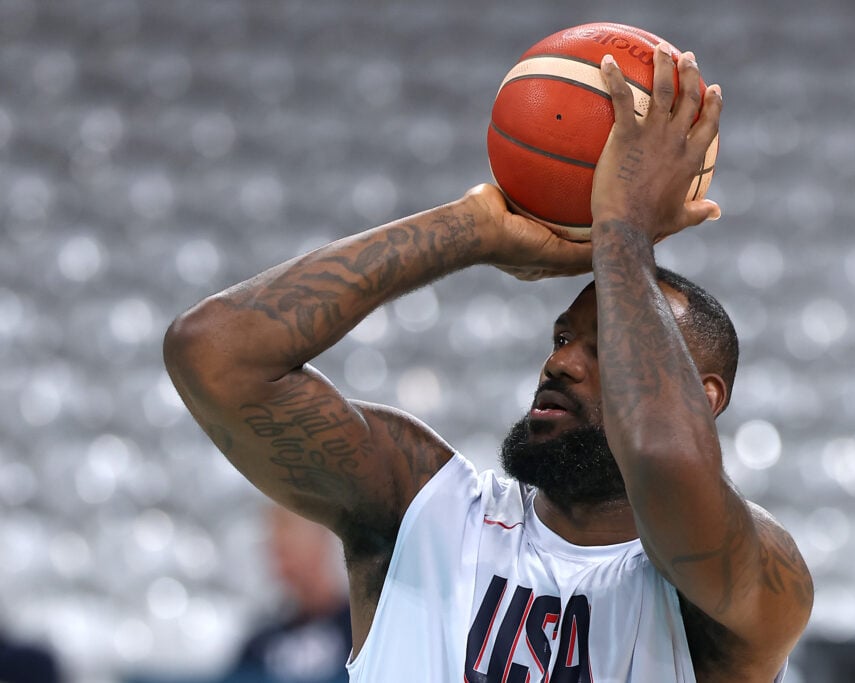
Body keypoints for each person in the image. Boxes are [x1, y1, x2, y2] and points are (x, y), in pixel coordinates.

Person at [164, 45, 813, 682]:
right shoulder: (419, 507)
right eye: (562, 336)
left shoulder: (748, 584)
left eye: (605, 343)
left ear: (704, 395)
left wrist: (622, 228)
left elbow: (668, 462)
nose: (560, 360)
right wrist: (472, 230)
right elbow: (213, 352)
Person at [225, 505, 351, 683]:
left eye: (286, 546)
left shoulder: (358, 630)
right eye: (276, 549)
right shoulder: (261, 644)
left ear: (321, 541)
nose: (280, 563)